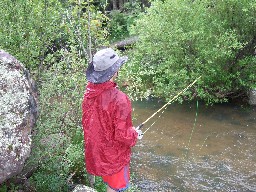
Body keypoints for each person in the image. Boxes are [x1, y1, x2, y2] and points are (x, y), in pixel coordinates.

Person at [82, 48, 143, 192]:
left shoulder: (88, 93)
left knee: (110, 185)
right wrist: (135, 134)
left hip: (97, 154)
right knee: (116, 188)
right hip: (113, 158)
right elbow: (122, 134)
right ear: (114, 72)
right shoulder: (120, 99)